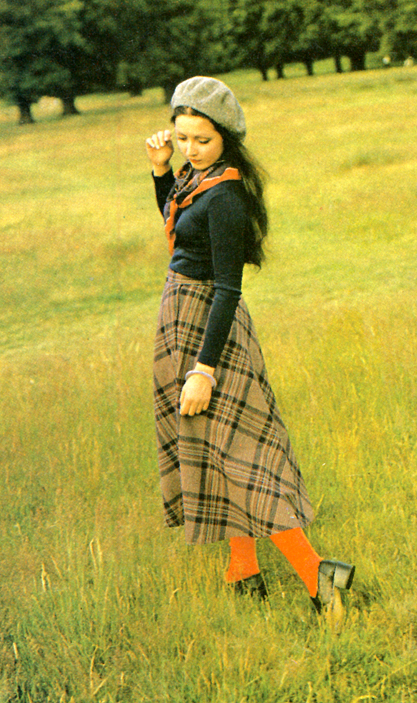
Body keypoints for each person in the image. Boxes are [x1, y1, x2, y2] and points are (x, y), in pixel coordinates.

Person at [145, 76, 354, 628]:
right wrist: (162, 173)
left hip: (210, 333)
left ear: (227, 139)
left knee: (243, 456)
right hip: (184, 321)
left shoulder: (225, 196)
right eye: (182, 137)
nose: (190, 149)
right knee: (214, 447)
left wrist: (204, 370)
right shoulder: (196, 179)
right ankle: (243, 569)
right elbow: (178, 228)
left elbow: (228, 289)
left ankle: (318, 576)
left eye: (202, 140)